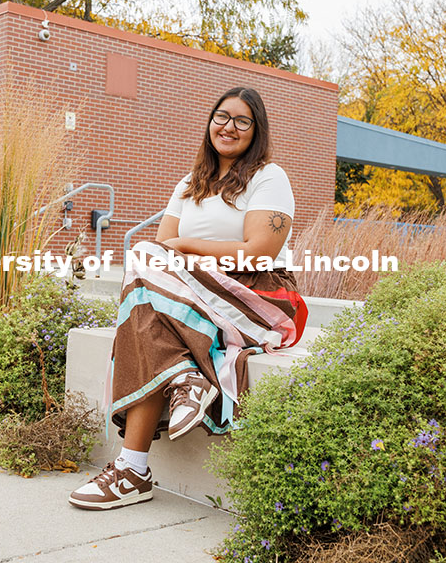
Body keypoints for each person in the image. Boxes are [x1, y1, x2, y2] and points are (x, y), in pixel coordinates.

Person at [68, 87, 305, 511]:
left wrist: (189, 245)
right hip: (194, 289)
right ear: (209, 121)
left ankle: (133, 470)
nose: (228, 127)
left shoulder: (269, 177)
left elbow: (259, 252)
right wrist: (180, 251)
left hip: (257, 293)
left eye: (242, 120)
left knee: (143, 297)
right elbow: (161, 249)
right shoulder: (190, 182)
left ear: (257, 131)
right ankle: (179, 383)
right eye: (221, 116)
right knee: (145, 280)